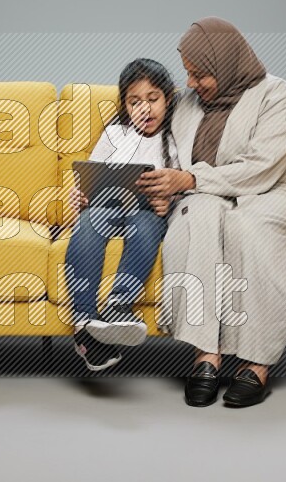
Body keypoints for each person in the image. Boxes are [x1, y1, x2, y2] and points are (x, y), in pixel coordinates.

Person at [135, 17, 286, 406]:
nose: (192, 84)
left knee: (249, 230)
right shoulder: (186, 104)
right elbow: (153, 147)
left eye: (201, 75)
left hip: (272, 191)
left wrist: (189, 181)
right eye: (188, 74)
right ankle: (206, 354)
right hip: (206, 193)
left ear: (226, 63)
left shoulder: (277, 96)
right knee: (194, 221)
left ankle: (256, 362)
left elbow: (260, 168)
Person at [64, 58, 181, 371]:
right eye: (135, 102)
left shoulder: (176, 138)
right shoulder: (115, 134)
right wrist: (80, 196)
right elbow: (89, 176)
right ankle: (84, 321)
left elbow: (185, 186)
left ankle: (118, 305)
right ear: (125, 105)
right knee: (88, 223)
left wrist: (168, 202)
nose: (145, 109)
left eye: (153, 99)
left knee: (145, 224)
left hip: (145, 212)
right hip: (106, 207)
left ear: (168, 98)